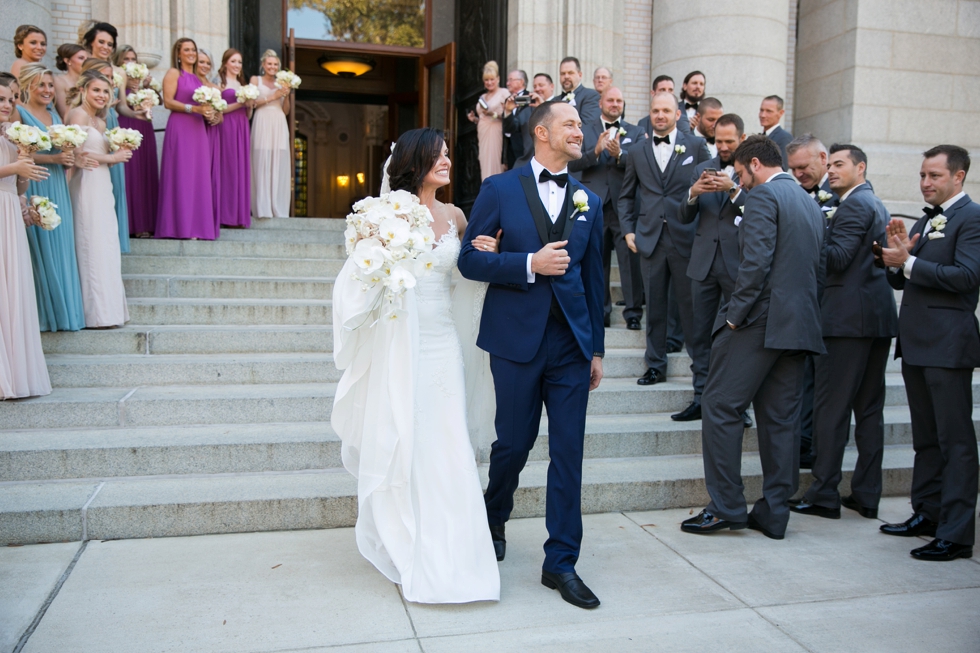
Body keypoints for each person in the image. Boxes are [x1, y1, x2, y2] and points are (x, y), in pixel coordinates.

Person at [332, 127, 502, 603]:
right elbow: (360, 278)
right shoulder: (385, 214)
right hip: (401, 341)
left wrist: (488, 252)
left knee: (447, 438)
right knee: (406, 433)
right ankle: (405, 537)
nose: (447, 161)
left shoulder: (455, 215)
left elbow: (469, 269)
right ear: (415, 161)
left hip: (444, 341)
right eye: (438, 155)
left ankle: (461, 553)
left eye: (449, 154)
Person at [459, 101, 606, 610]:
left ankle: (561, 561)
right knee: (514, 445)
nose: (580, 129)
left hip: (570, 345)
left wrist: (597, 349)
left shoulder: (589, 198)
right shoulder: (500, 189)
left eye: (581, 125)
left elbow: (592, 280)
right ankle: (493, 513)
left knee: (568, 453)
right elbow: (469, 260)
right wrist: (527, 263)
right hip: (516, 342)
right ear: (541, 131)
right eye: (570, 122)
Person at [681, 135, 825, 541]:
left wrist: (734, 318)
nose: (740, 184)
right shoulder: (810, 203)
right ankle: (775, 512)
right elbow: (819, 270)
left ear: (756, 165)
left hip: (758, 322)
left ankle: (726, 505)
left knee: (720, 405)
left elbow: (755, 263)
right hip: (799, 326)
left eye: (742, 175)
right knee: (781, 422)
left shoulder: (763, 196)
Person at [878, 144, 980, 562]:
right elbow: (907, 280)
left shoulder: (972, 218)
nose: (925, 182)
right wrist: (895, 259)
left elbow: (967, 276)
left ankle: (956, 534)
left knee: (955, 441)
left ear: (958, 176)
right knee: (926, 439)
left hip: (948, 343)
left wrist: (910, 263)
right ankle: (928, 512)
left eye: (934, 176)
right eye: (922, 175)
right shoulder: (928, 219)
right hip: (917, 342)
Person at [791, 144, 898, 521]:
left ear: (860, 167)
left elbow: (836, 260)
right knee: (869, 410)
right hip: (874, 319)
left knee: (830, 409)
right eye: (830, 164)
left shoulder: (854, 204)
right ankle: (867, 493)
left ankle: (823, 493)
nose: (831, 171)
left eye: (840, 165)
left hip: (847, 321)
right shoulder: (875, 202)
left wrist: (813, 226)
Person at [618, 92, 710, 388]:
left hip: (686, 238)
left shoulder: (696, 146)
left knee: (691, 309)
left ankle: (702, 373)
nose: (660, 115)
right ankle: (655, 365)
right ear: (650, 113)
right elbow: (626, 197)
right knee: (654, 309)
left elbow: (708, 190)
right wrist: (628, 230)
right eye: (655, 110)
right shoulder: (636, 151)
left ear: (677, 114)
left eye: (666, 110)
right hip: (649, 239)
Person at [676, 113, 752, 427]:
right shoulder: (699, 168)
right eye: (718, 141)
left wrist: (734, 190)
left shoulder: (752, 171)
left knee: (738, 338)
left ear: (742, 140)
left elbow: (760, 214)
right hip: (703, 264)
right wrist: (693, 193)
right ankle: (700, 398)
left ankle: (738, 405)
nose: (722, 147)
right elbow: (682, 216)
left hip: (738, 267)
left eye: (728, 142)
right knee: (699, 334)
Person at [16, 63, 86, 333]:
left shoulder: (54, 114)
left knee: (61, 241)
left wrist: (68, 156)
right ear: (27, 86)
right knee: (41, 244)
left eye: (49, 85)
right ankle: (46, 314)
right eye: (41, 84)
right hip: (35, 182)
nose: (47, 90)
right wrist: (54, 158)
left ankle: (67, 313)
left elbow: (61, 150)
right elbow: (18, 153)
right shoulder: (19, 113)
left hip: (58, 183)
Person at [568, 86, 644, 330]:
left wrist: (621, 154)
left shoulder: (636, 131)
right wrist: (596, 151)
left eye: (619, 101)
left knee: (629, 263)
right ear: (600, 103)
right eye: (610, 100)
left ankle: (633, 313)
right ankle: (601, 313)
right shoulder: (585, 131)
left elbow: (643, 162)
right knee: (596, 262)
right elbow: (572, 162)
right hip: (593, 205)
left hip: (624, 206)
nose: (615, 104)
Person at [785, 133, 837, 467]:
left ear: (823, 158)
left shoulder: (843, 197)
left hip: (834, 305)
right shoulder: (797, 195)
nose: (799, 174)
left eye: (804, 167)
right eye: (794, 169)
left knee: (826, 388)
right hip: (806, 303)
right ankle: (804, 441)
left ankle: (818, 448)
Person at [0, 74, 52, 399]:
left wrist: (25, 159)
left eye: (10, 100)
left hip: (9, 216)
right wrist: (16, 167)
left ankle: (14, 373)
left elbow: (19, 186)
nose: (6, 105)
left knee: (12, 290)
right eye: (1, 99)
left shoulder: (9, 139)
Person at [65, 69, 131, 328]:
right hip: (86, 184)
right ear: (83, 90)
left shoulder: (101, 123)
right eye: (96, 90)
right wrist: (112, 158)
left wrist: (116, 153)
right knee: (90, 241)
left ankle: (110, 311)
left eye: (106, 91)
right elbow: (78, 157)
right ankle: (94, 314)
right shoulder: (77, 115)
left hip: (103, 184)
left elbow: (100, 156)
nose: (102, 95)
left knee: (106, 243)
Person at [80, 22, 138, 253]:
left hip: (110, 123)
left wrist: (139, 114)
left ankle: (114, 240)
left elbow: (122, 107)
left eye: (110, 44)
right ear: (91, 43)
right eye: (101, 42)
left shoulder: (119, 72)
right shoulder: (83, 66)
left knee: (114, 183)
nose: (105, 46)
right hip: (89, 124)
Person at [156, 38, 217, 240]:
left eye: (194, 49)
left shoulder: (200, 79)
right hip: (181, 127)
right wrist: (194, 109)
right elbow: (168, 102)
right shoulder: (175, 73)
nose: (192, 53)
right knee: (181, 173)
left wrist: (211, 113)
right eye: (187, 50)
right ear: (179, 54)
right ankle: (177, 227)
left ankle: (197, 227)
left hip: (198, 128)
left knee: (198, 175)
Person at [114, 46, 159, 238]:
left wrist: (146, 87)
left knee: (145, 171)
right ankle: (130, 224)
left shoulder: (143, 81)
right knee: (129, 173)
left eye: (133, 58)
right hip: (125, 124)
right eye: (125, 59)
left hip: (144, 126)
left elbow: (160, 101)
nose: (130, 62)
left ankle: (146, 224)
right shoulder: (115, 79)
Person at [250, 49, 291, 218]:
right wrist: (273, 96)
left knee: (278, 164)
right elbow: (251, 103)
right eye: (269, 64)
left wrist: (286, 96)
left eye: (275, 64)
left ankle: (278, 208)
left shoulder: (282, 83)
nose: (272, 67)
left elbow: (286, 111)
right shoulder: (255, 80)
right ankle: (262, 208)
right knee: (261, 162)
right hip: (262, 121)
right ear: (263, 65)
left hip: (279, 122)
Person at [213, 49, 252, 229]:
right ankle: (224, 215)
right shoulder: (220, 83)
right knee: (227, 166)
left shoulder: (243, 83)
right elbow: (219, 109)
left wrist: (249, 106)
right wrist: (240, 103)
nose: (237, 65)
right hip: (226, 126)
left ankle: (238, 216)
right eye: (233, 61)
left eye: (239, 62)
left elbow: (248, 113)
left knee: (240, 167)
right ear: (225, 63)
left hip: (242, 126)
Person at [466, 60, 509, 180]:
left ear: (498, 79)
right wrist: (474, 119)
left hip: (496, 132)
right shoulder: (482, 97)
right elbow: (482, 118)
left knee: (495, 162)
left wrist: (493, 113)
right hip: (483, 134)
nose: (489, 82)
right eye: (486, 80)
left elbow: (509, 115)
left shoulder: (504, 93)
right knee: (484, 165)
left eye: (492, 79)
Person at [556, 57, 600, 126]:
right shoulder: (554, 101)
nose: (566, 76)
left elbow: (587, 125)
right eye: (563, 73)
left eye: (570, 73)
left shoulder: (591, 96)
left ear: (580, 75)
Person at [501, 69, 530, 169]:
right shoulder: (508, 100)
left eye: (510, 80)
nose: (507, 83)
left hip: (524, 150)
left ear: (521, 81)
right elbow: (506, 128)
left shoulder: (531, 98)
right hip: (510, 150)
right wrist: (504, 158)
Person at [53, 44, 88, 120]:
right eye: (81, 58)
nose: (86, 62)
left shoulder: (88, 81)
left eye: (87, 59)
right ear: (67, 61)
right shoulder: (58, 81)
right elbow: (63, 113)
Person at [759, 95, 793, 170]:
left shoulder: (784, 137)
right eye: (761, 110)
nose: (763, 115)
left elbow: (782, 168)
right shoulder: (761, 137)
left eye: (769, 111)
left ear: (780, 113)